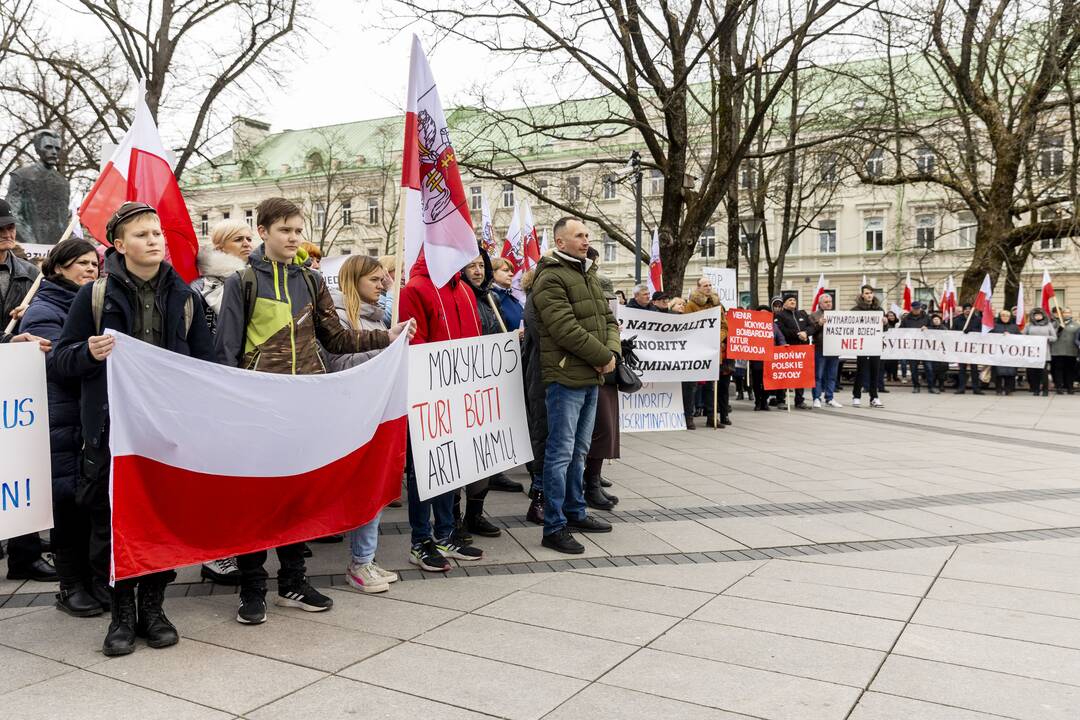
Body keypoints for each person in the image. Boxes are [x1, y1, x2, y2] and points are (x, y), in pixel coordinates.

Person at [215, 197, 411, 623]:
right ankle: (252, 589)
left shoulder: (311, 279)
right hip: (258, 407)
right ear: (263, 232)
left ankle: (293, 582)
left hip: (303, 405)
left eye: (298, 230)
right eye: (285, 230)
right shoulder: (242, 282)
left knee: (295, 498)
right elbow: (226, 352)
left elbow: (336, 339)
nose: (293, 237)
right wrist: (232, 409)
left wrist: (386, 337)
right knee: (255, 501)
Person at [53, 202, 215, 655]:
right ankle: (121, 613)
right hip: (110, 434)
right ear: (119, 246)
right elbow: (61, 360)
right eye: (142, 234)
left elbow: (208, 367)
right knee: (113, 524)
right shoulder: (94, 297)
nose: (154, 240)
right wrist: (89, 352)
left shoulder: (186, 298)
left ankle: (155, 609)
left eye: (158, 233)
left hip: (164, 434)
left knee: (160, 522)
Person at [19, 240, 102, 616]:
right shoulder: (44, 308)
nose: (90, 269)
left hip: (88, 416)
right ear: (58, 268)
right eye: (81, 263)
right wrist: (90, 352)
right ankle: (71, 586)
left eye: (94, 263)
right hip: (62, 418)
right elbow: (53, 363)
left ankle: (93, 579)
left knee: (91, 502)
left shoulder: (94, 302)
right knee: (68, 504)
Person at [532, 216, 619, 554]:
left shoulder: (589, 273)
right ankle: (554, 526)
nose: (586, 240)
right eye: (578, 235)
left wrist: (610, 352)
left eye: (587, 235)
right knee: (560, 453)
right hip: (566, 377)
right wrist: (601, 356)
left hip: (591, 374)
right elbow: (564, 328)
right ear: (560, 242)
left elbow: (609, 319)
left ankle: (576, 510)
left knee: (580, 451)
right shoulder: (551, 277)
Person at [397, 246, 487, 572]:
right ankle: (420, 541)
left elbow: (475, 334)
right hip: (428, 393)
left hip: (459, 394)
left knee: (452, 466)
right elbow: (413, 341)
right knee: (423, 471)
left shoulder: (463, 289)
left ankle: (446, 532)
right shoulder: (414, 289)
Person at [318, 255, 401, 593]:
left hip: (376, 411)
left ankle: (365, 559)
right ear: (354, 282)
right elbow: (338, 362)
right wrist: (385, 350)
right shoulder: (339, 317)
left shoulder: (379, 317)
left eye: (385, 280)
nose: (384, 286)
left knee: (375, 486)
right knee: (362, 488)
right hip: (351, 414)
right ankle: (359, 562)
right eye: (376, 281)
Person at [0, 197, 56, 582]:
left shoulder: (27, 274)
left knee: (18, 465)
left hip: (16, 385)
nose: (8, 233)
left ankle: (25, 552)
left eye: (10, 226)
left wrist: (27, 322)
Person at [459, 253, 520, 528]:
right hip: (464, 385)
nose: (477, 270)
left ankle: (475, 514)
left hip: (489, 386)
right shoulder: (460, 297)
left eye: (481, 265)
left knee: (484, 455)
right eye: (471, 266)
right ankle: (453, 518)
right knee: (464, 457)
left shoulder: (489, 298)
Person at [583, 246, 622, 508]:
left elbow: (611, 327)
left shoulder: (600, 298)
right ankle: (588, 485)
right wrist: (602, 355)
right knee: (593, 433)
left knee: (605, 430)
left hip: (606, 372)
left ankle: (593, 481)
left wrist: (613, 352)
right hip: (588, 371)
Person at [191, 219, 253, 334]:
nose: (246, 244)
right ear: (220, 248)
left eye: (249, 239)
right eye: (238, 239)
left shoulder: (257, 278)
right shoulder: (200, 287)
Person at [683, 277, 722, 428]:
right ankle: (689, 417)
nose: (708, 287)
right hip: (696, 350)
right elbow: (687, 325)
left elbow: (724, 325)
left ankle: (712, 417)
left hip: (712, 350)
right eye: (705, 285)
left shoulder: (717, 304)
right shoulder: (691, 305)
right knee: (692, 386)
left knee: (711, 386)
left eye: (710, 285)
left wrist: (716, 337)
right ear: (698, 287)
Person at [774, 292, 811, 408]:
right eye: (789, 300)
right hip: (788, 348)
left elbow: (811, 326)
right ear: (784, 303)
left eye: (794, 300)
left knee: (801, 375)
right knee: (785, 374)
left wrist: (806, 333)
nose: (793, 302)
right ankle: (781, 400)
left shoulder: (802, 313)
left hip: (802, 349)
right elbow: (781, 330)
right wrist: (797, 334)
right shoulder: (779, 315)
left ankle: (799, 400)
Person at [851, 285, 885, 408]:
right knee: (861, 371)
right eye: (866, 293)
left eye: (871, 293)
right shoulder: (855, 310)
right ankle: (856, 396)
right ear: (862, 295)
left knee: (875, 371)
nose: (869, 295)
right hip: (862, 345)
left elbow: (883, 330)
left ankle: (874, 397)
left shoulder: (879, 310)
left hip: (875, 345)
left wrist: (885, 323)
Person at [808, 293, 842, 408]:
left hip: (833, 348)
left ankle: (830, 397)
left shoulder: (837, 315)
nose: (829, 304)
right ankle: (816, 398)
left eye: (830, 302)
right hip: (820, 348)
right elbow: (810, 331)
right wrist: (819, 324)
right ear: (820, 304)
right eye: (826, 302)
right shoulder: (814, 315)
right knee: (818, 375)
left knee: (832, 375)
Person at [900, 301, 936, 393]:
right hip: (912, 348)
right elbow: (900, 331)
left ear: (920, 308)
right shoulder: (906, 319)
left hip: (925, 347)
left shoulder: (927, 318)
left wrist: (928, 328)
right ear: (911, 309)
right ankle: (916, 386)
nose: (917, 310)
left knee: (929, 367)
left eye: (918, 308)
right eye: (915, 308)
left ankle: (931, 387)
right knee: (913, 368)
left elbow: (934, 329)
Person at [1023, 307, 1056, 396]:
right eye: (1036, 315)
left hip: (1044, 352)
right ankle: (1036, 389)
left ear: (1043, 315)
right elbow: (1023, 336)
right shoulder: (1028, 325)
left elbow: (1054, 337)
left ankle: (1045, 390)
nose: (1038, 316)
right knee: (1034, 372)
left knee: (1043, 372)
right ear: (1033, 316)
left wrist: (1046, 338)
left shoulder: (1048, 325)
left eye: (1039, 315)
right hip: (1032, 352)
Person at [952, 303, 984, 394]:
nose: (967, 310)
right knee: (962, 369)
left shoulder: (977, 320)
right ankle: (961, 388)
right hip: (962, 348)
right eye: (966, 309)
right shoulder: (957, 320)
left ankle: (976, 388)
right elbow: (953, 332)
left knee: (974, 369)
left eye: (969, 309)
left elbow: (981, 332)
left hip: (973, 348)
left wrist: (972, 331)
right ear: (963, 310)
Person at [989, 309, 1020, 394]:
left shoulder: (1014, 327)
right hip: (998, 352)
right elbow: (989, 337)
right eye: (1003, 315)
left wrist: (1011, 336)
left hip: (1010, 353)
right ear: (1000, 316)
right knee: (998, 372)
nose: (1005, 317)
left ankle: (1008, 389)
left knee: (1010, 372)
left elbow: (1020, 338)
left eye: (1007, 316)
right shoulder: (994, 326)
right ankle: (998, 389)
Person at [489, 256, 524, 331]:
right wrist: (514, 336)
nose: (511, 274)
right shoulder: (489, 299)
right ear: (492, 273)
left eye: (511, 271)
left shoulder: (511, 298)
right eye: (506, 270)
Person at [1050, 307, 1078, 394]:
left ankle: (1070, 387)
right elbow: (1052, 334)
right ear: (1062, 314)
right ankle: (1059, 387)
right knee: (1058, 370)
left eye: (1068, 312)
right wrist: (1059, 329)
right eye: (1065, 313)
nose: (1067, 314)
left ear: (1071, 314)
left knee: (1070, 370)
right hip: (1058, 351)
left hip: (1071, 351)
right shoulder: (1056, 323)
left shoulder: (1076, 324)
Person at [882, 310, 900, 384]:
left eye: (892, 316)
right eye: (889, 316)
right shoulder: (885, 324)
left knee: (895, 362)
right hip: (887, 345)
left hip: (895, 345)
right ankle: (889, 376)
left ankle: (895, 376)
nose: (891, 317)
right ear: (887, 317)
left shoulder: (898, 323)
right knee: (888, 362)